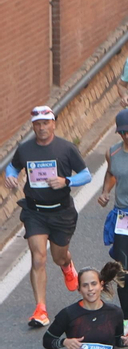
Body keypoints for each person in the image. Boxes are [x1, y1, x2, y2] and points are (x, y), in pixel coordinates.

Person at [7, 107, 89, 328]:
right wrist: (11, 177)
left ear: (53, 124)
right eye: (38, 124)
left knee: (58, 257)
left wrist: (66, 181)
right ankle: (40, 309)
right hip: (35, 212)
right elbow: (13, 167)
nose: (42, 128)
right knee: (38, 257)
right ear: (33, 126)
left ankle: (66, 265)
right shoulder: (25, 150)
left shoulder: (66, 148)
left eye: (46, 123)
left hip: (61, 212)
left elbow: (86, 174)